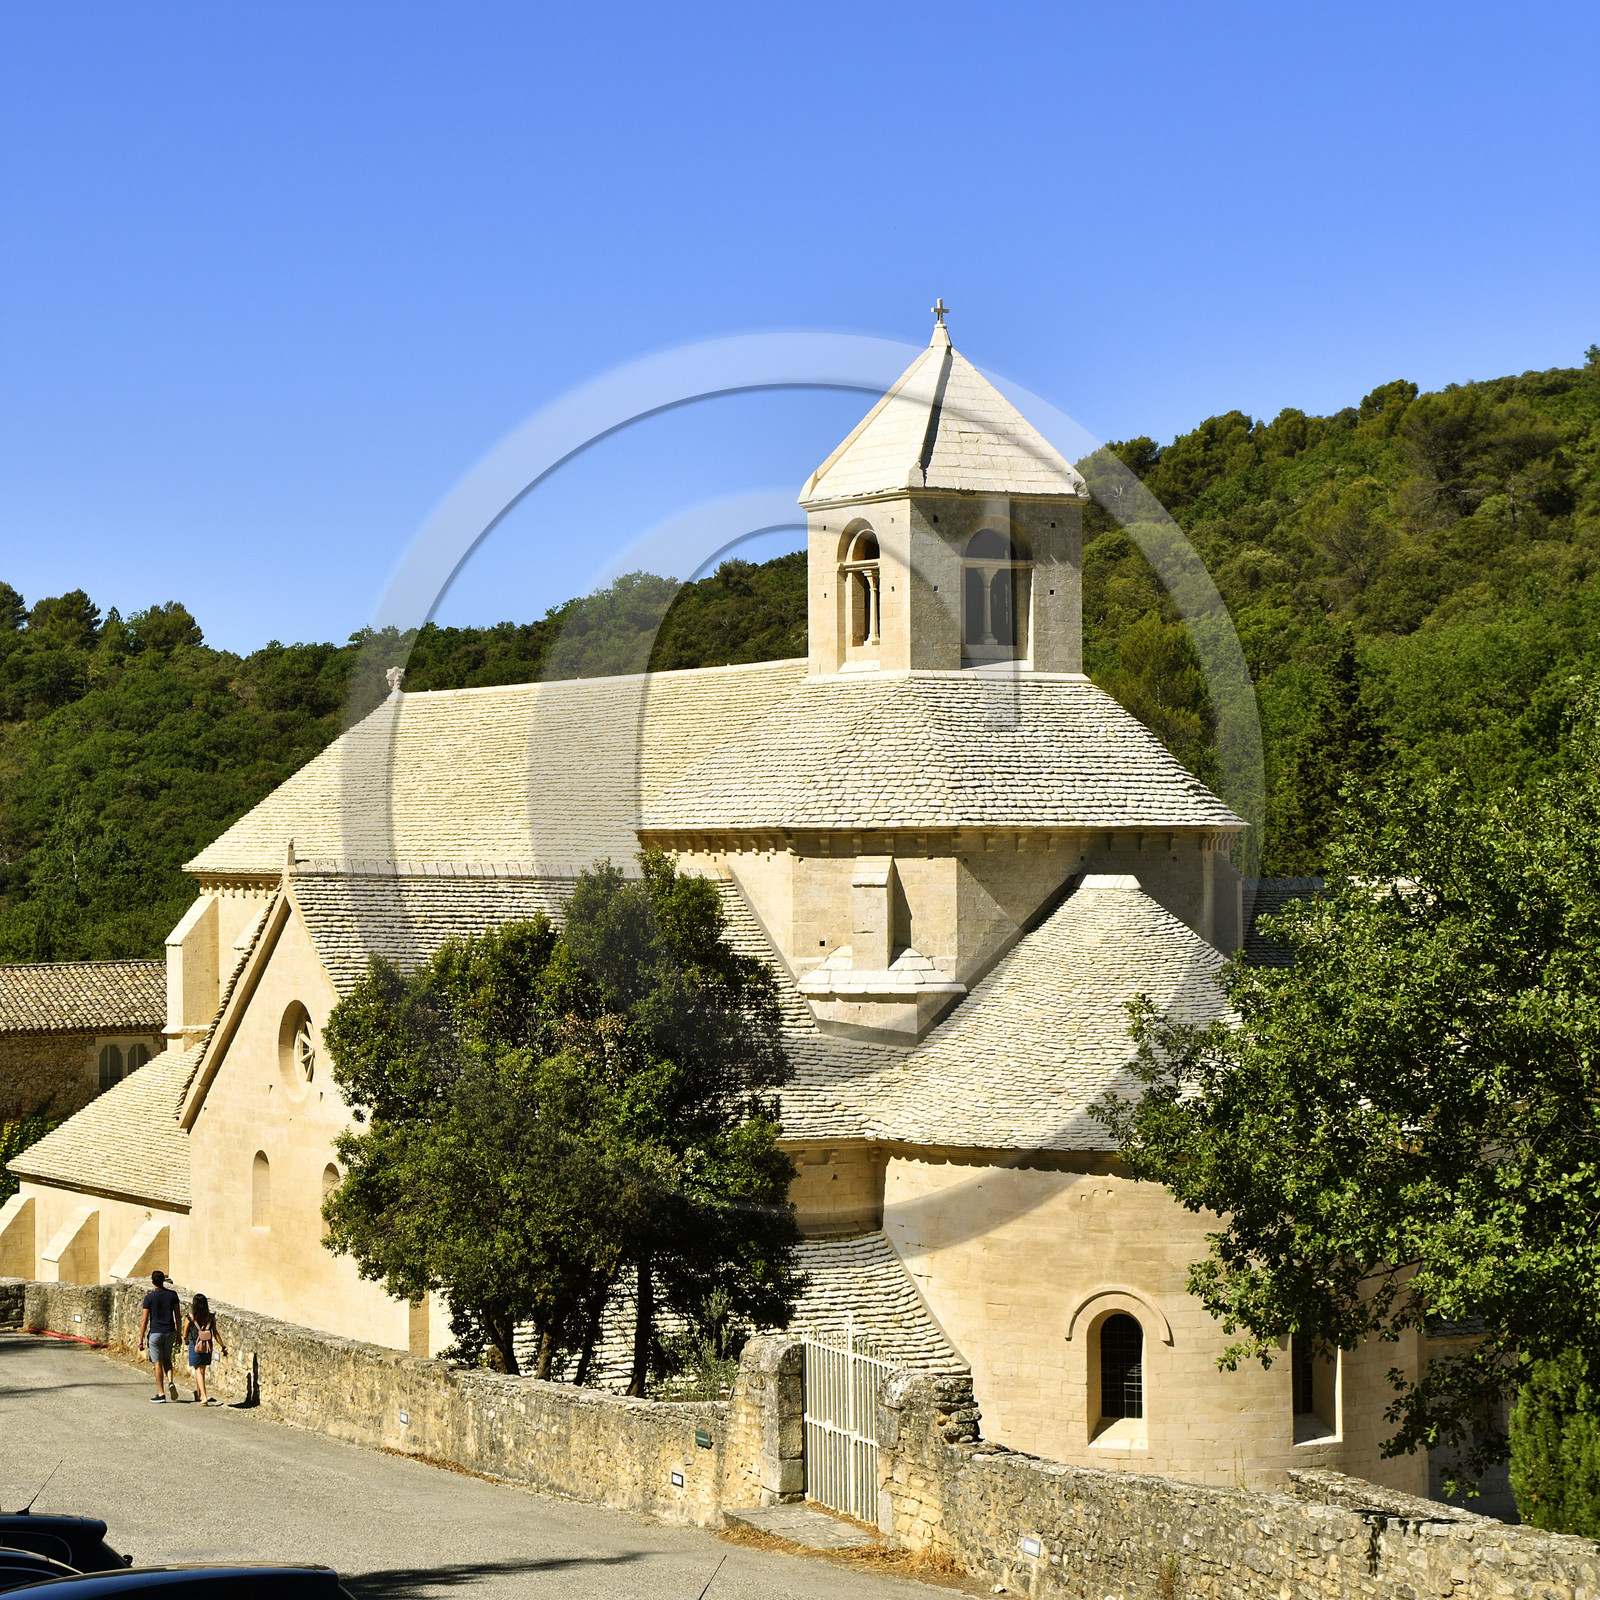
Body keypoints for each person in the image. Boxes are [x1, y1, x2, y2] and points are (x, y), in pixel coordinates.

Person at [136, 1270, 181, 1402]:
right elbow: (177, 1316)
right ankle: (171, 1381)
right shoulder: (173, 1295)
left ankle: (161, 1393)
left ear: (152, 1282)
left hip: (155, 1333)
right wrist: (179, 1334)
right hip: (170, 1331)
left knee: (157, 1363)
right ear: (163, 1281)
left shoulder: (149, 1298)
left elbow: (144, 1320)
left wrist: (140, 1339)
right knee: (167, 1360)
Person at [182, 1293, 228, 1406]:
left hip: (195, 1345)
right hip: (207, 1346)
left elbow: (185, 1334)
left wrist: (186, 1341)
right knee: (203, 1370)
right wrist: (222, 1346)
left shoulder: (191, 1317)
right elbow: (216, 1333)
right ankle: (199, 1394)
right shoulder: (211, 1317)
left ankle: (204, 1397)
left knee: (198, 1370)